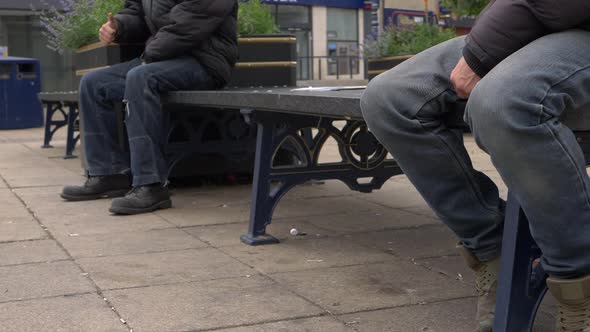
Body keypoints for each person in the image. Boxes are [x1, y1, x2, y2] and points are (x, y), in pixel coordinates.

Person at [361, 1, 590, 331]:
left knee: (501, 103)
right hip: (530, 24)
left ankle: (578, 275)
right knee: (388, 100)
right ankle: (491, 248)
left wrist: (480, 56)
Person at [61, 0, 238, 215]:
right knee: (93, 83)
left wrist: (149, 56)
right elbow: (137, 12)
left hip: (204, 61)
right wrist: (118, 25)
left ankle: (151, 184)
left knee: (140, 77)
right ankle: (109, 173)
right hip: (161, 58)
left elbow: (189, 23)